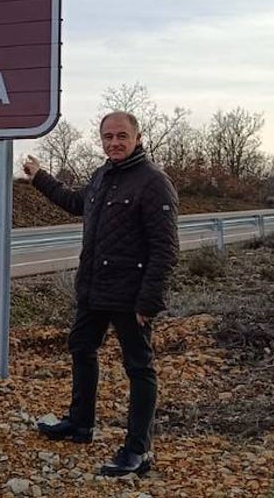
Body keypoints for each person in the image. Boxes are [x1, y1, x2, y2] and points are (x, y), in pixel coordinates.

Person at [23, 111, 179, 477]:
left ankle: (138, 451)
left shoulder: (154, 182)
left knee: (139, 368)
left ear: (138, 137)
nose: (114, 143)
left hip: (130, 294)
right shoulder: (102, 175)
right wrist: (40, 178)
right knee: (81, 348)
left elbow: (166, 249)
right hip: (93, 289)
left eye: (121, 136)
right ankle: (80, 425)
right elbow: (76, 202)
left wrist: (149, 302)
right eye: (108, 137)